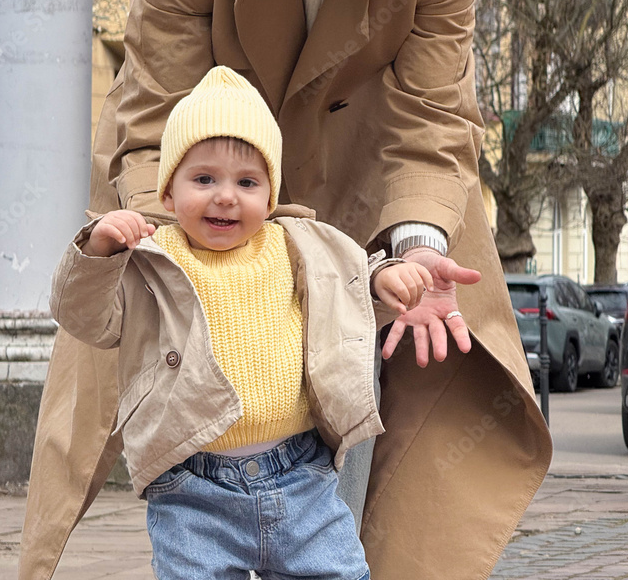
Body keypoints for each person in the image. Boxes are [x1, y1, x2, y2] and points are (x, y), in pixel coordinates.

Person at [20, 0, 551, 580]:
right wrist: (177, 247)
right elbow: (153, 107)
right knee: (191, 408)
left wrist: (416, 244)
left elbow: (432, 113)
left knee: (377, 424)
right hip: (203, 192)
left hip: (368, 198)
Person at [51, 65, 443, 580]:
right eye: (203, 179)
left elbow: (343, 285)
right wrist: (99, 249)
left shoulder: (296, 244)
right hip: (192, 489)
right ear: (168, 193)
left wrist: (382, 279)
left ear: (270, 196)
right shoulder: (150, 258)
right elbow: (85, 316)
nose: (225, 196)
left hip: (302, 477)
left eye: (247, 182)